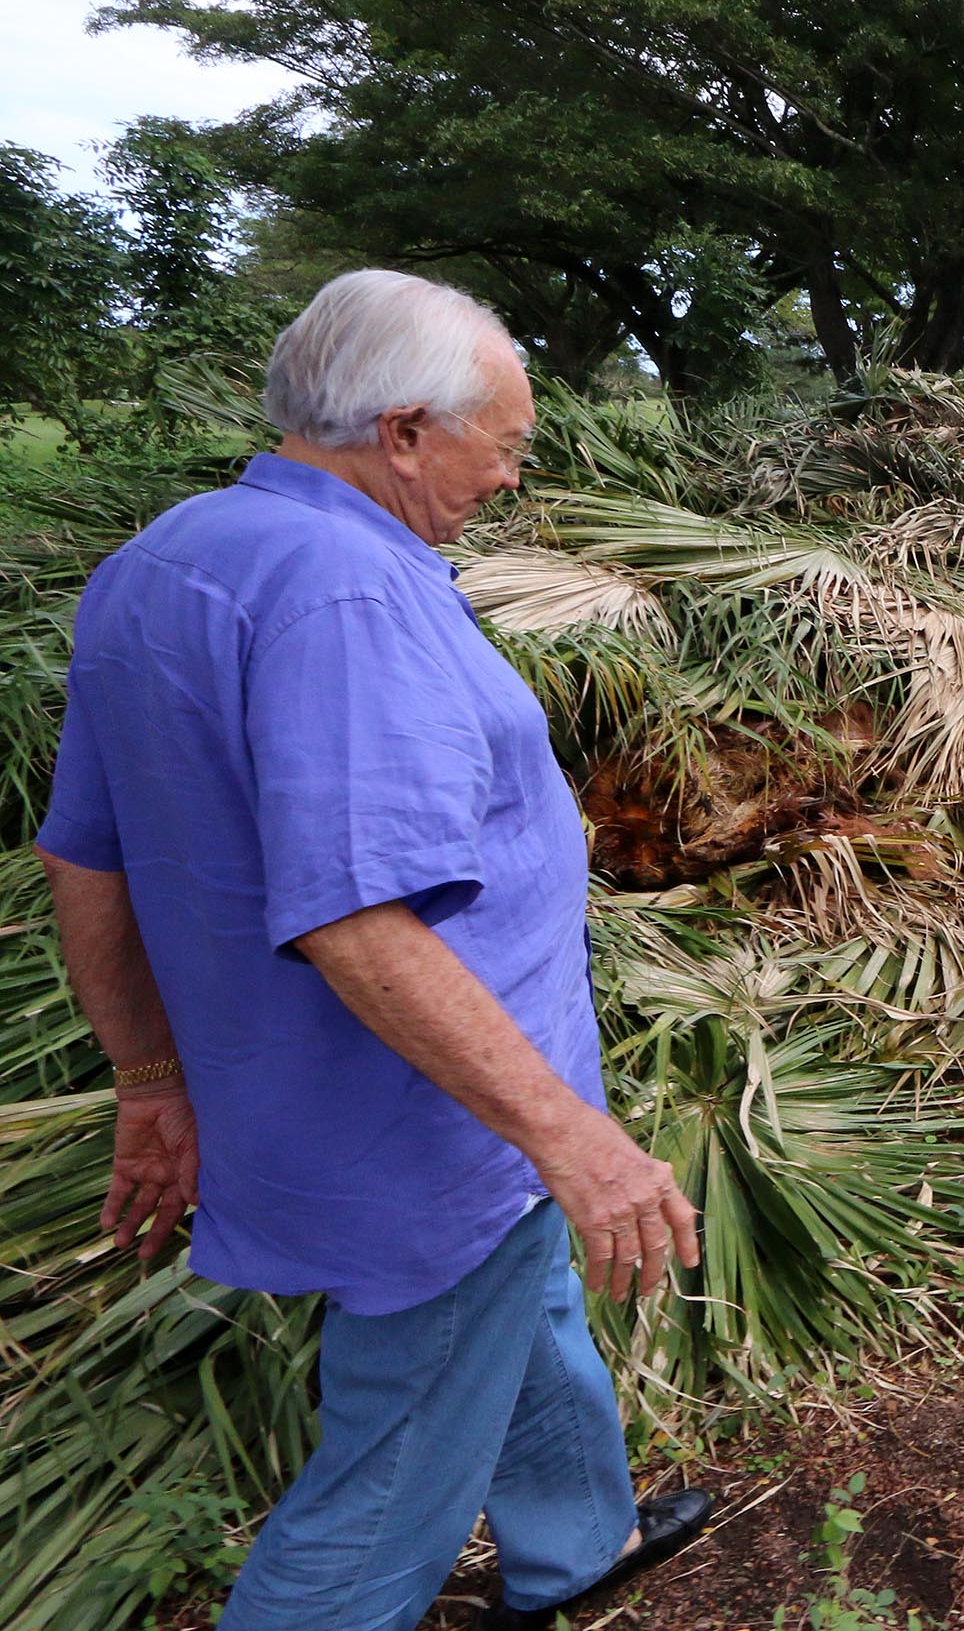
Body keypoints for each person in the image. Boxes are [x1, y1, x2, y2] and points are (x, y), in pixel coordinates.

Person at [38, 270, 712, 1631]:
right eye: (502, 446)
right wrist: (569, 1139)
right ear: (403, 431)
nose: (510, 478)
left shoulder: (167, 556)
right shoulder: (345, 595)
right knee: (393, 1467)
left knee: (524, 1317)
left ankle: (579, 1544)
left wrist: (149, 1076)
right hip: (428, 1127)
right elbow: (354, 920)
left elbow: (85, 857)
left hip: (319, 1103)